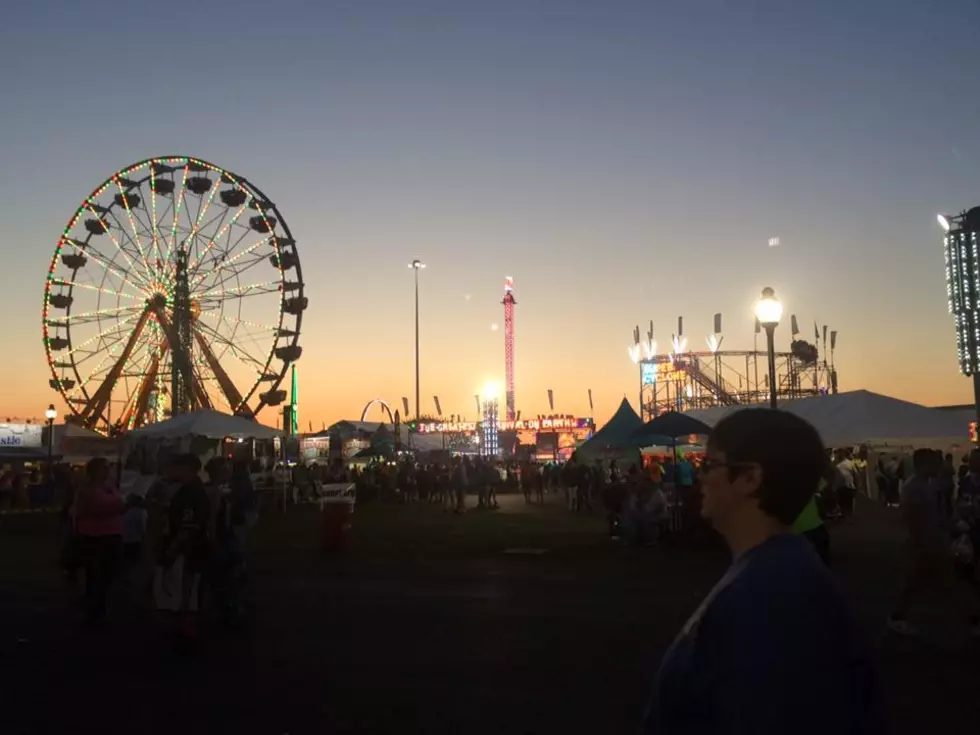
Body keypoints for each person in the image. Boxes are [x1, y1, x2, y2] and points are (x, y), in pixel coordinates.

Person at [643, 409, 885, 735]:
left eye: (710, 465)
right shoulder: (777, 571)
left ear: (750, 478)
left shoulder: (769, 601)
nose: (699, 476)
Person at [887, 449, 980, 636]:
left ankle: (897, 618)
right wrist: (932, 544)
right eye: (935, 463)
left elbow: (935, 516)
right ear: (924, 465)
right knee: (956, 582)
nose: (939, 467)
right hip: (927, 545)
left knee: (916, 584)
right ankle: (974, 622)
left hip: (927, 544)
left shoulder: (924, 485)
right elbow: (915, 521)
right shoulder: (915, 488)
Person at [161, 453, 211, 644]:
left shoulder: (191, 492)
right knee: (188, 587)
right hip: (191, 546)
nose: (170, 471)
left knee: (187, 587)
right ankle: (187, 625)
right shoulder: (191, 490)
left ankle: (188, 627)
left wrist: (172, 549)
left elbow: (188, 526)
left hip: (189, 548)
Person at [74, 457, 125, 624]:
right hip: (94, 536)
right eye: (104, 468)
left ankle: (98, 604)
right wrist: (119, 505)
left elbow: (115, 503)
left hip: (112, 534)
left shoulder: (109, 486)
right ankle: (94, 607)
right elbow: (98, 507)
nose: (107, 471)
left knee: (108, 572)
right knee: (96, 573)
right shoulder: (87, 488)